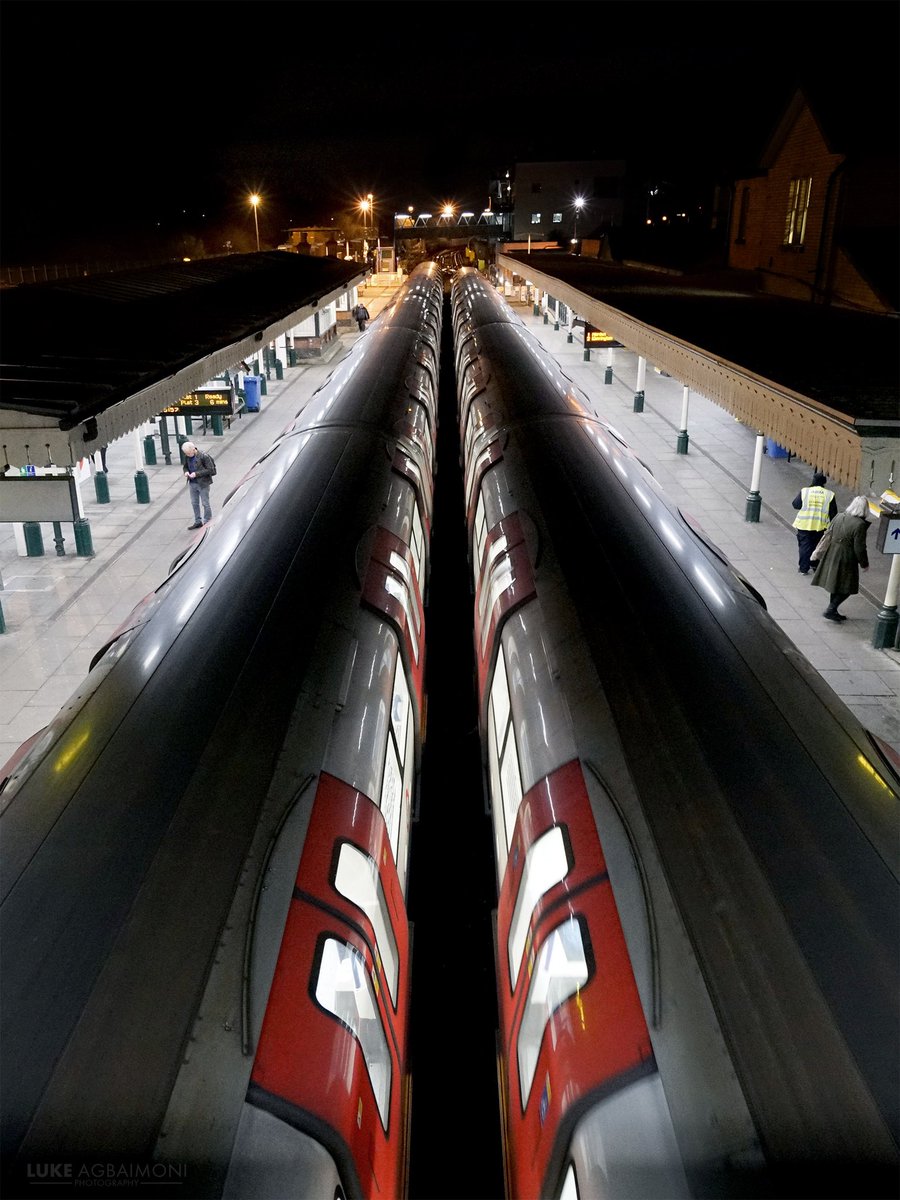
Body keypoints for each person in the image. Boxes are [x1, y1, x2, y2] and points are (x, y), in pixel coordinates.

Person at [810, 494, 870, 621]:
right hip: (846, 556)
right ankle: (831, 609)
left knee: (835, 583)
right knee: (848, 586)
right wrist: (864, 563)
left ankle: (833, 609)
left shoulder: (839, 516)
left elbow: (829, 533)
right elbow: (859, 547)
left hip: (832, 551)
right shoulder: (860, 525)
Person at [791, 471, 836, 574]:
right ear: (824, 482)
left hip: (804, 524)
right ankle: (815, 565)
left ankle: (803, 568)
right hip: (820, 526)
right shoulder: (829, 495)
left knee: (804, 546)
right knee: (817, 546)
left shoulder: (805, 491)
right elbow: (833, 513)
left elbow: (795, 505)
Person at [181, 440, 215, 529]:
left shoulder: (204, 456)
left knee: (205, 503)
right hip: (192, 483)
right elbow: (185, 466)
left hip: (203, 483)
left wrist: (196, 474)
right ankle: (198, 521)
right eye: (186, 453)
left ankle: (207, 521)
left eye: (188, 453)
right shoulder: (187, 457)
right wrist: (186, 472)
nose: (187, 455)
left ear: (193, 449)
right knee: (194, 503)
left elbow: (210, 469)